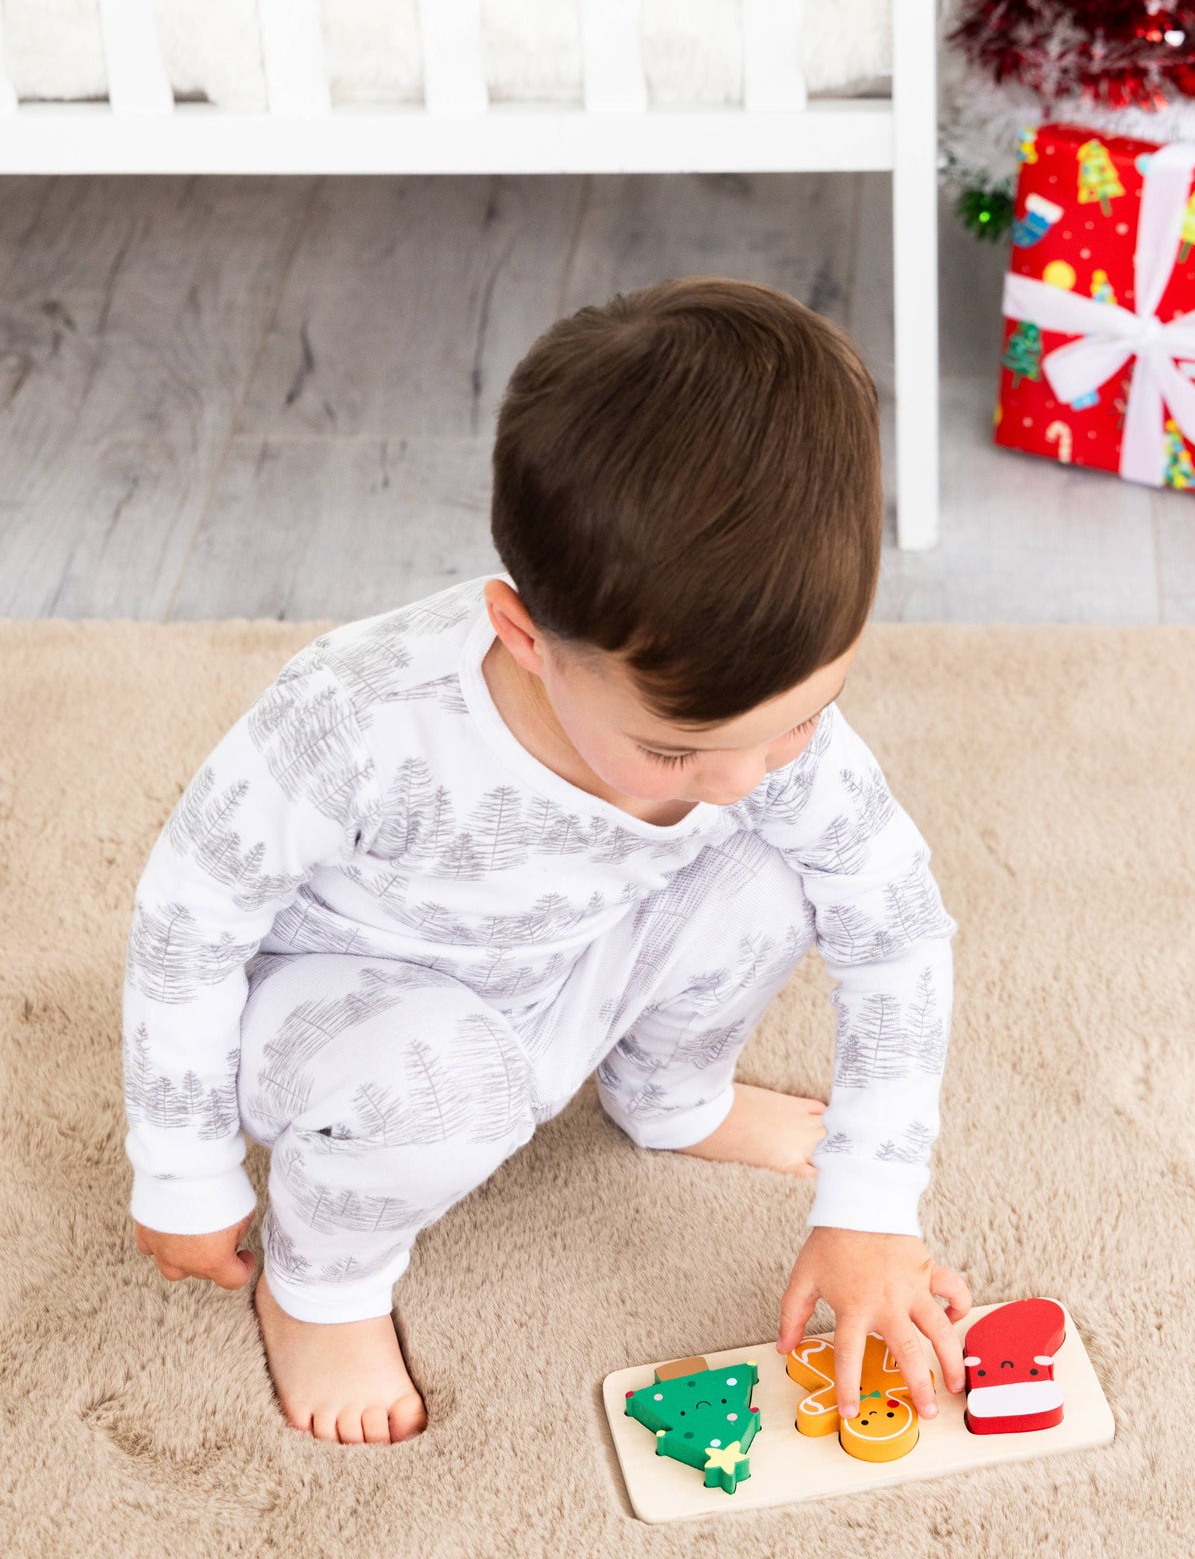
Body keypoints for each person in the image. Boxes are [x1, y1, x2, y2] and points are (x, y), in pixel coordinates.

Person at [125, 278, 967, 1445]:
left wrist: (873, 1206)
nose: (743, 776)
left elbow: (897, 931)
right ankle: (318, 1283)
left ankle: (670, 1097)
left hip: (568, 965)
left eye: (801, 718)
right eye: (674, 747)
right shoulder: (358, 717)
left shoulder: (760, 752)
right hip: (348, 1014)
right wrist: (182, 1167)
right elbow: (188, 916)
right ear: (525, 636)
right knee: (446, 1079)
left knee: (783, 867)